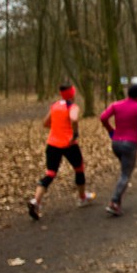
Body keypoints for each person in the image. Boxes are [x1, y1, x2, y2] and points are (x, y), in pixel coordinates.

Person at [28, 83, 95, 220]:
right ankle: (82, 198)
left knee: (50, 173)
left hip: (52, 144)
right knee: (79, 168)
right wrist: (74, 133)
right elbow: (74, 118)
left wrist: (58, 127)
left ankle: (36, 201)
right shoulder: (72, 107)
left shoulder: (55, 105)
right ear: (72, 94)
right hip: (69, 144)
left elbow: (45, 123)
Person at [99, 80, 137, 216]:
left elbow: (103, 117)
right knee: (125, 174)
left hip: (116, 143)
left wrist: (110, 130)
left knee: (124, 172)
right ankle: (114, 202)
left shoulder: (116, 105)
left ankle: (117, 203)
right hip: (130, 144)